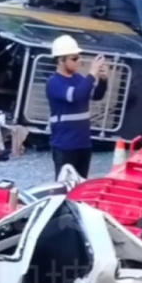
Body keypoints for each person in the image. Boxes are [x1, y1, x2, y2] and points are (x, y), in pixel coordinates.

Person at [45, 35, 109, 178]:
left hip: (83, 143)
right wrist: (92, 73)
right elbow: (76, 96)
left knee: (81, 185)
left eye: (79, 57)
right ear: (61, 60)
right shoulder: (54, 82)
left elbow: (96, 95)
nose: (79, 61)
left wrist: (103, 80)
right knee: (64, 186)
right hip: (65, 145)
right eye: (74, 58)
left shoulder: (78, 78)